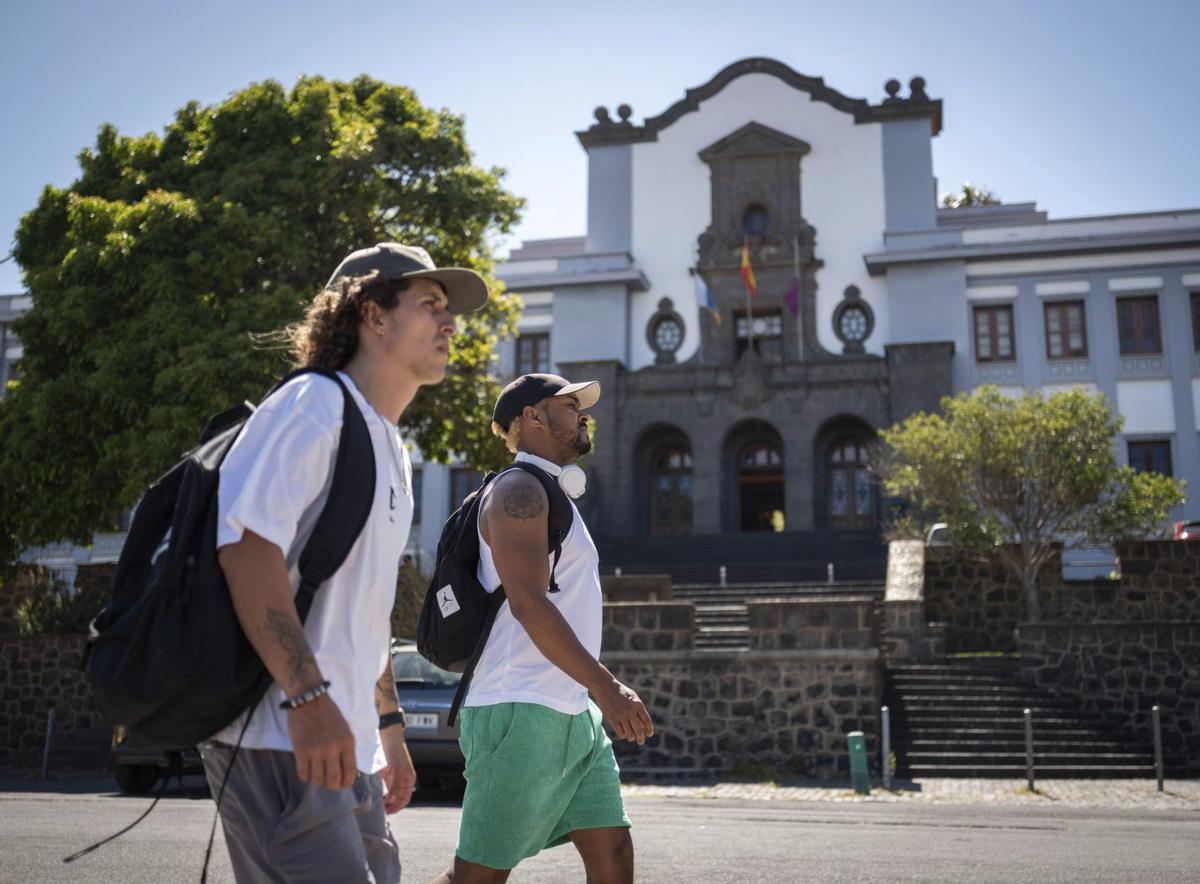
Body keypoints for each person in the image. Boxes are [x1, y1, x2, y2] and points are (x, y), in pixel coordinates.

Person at [202, 243, 489, 883]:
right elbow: (246, 553)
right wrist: (306, 698)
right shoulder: (312, 405)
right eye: (430, 305)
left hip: (347, 745)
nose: (450, 325)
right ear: (372, 315)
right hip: (281, 736)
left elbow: (364, 610)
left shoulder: (390, 444)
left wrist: (387, 728)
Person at [431, 373, 654, 884]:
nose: (584, 413)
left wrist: (591, 696)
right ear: (532, 417)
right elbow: (528, 602)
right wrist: (607, 685)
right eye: (570, 404)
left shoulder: (551, 496)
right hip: (520, 709)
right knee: (478, 875)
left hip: (571, 712)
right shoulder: (518, 491)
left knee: (613, 851)